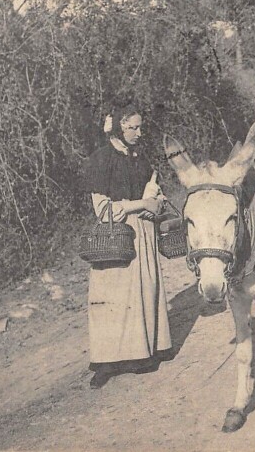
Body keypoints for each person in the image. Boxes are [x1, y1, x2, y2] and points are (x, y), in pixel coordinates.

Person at [82, 103, 171, 389]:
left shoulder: (140, 157)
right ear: (119, 127)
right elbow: (103, 210)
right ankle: (108, 362)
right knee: (112, 301)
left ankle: (143, 353)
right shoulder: (102, 159)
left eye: (140, 127)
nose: (139, 133)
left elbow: (152, 188)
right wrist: (140, 204)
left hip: (143, 232)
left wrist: (153, 201)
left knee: (143, 292)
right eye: (133, 127)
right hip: (115, 237)